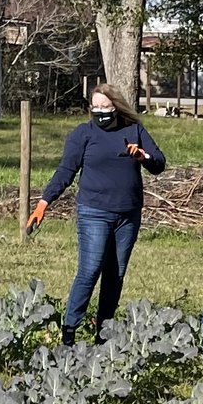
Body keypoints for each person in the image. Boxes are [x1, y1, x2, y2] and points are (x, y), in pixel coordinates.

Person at [25, 84, 165, 338]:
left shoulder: (133, 130)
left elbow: (159, 164)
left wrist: (143, 157)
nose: (100, 111)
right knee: (90, 270)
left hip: (128, 215)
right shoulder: (83, 134)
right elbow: (66, 171)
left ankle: (104, 333)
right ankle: (69, 331)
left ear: (116, 107)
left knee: (115, 274)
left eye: (105, 107)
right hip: (94, 212)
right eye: (95, 107)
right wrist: (44, 203)